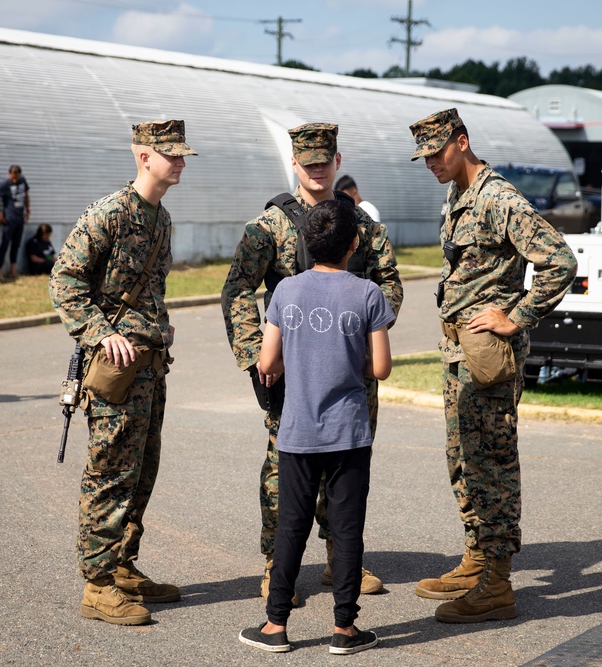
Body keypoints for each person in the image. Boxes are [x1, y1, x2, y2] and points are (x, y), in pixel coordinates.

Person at [221, 122, 403, 601]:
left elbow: (390, 284)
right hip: (289, 373)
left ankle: (339, 562)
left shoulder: (363, 227)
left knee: (345, 468)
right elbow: (238, 289)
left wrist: (367, 342)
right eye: (308, 164)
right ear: (295, 166)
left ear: (337, 162)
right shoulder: (269, 227)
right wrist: (257, 356)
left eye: (325, 163)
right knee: (284, 469)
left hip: (351, 373)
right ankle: (274, 563)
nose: (317, 171)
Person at [408, 108, 576, 623]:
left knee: (491, 462)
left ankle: (497, 584)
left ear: (462, 141)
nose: (431, 163)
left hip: (486, 356)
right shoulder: (459, 194)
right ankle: (477, 558)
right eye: (424, 156)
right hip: (458, 351)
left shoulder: (498, 198)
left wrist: (517, 316)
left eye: (438, 152)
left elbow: (560, 261)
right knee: (462, 456)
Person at [49, 120, 197, 626]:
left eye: (182, 155)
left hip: (151, 368)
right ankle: (96, 583)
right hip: (116, 370)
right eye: (170, 154)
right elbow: (64, 280)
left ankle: (123, 566)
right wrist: (97, 331)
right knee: (111, 472)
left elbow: (147, 291)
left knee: (142, 471)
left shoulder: (162, 218)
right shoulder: (111, 212)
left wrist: (158, 330)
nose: (179, 162)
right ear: (143, 156)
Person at [238, 200, 395, 656]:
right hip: (349, 432)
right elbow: (380, 368)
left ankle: (275, 625)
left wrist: (298, 357)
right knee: (347, 529)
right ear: (354, 243)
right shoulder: (369, 294)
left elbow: (268, 361)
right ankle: (345, 630)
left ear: (305, 243)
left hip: (297, 431)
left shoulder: (286, 291)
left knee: (291, 527)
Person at [0, 165, 30, 281]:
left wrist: (27, 210)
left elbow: (26, 195)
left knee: (16, 244)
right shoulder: (6, 184)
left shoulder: (22, 181)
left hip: (19, 218)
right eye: (12, 178)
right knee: (5, 244)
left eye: (16, 177)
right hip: (9, 219)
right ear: (9, 174)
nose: (14, 180)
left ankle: (13, 270)